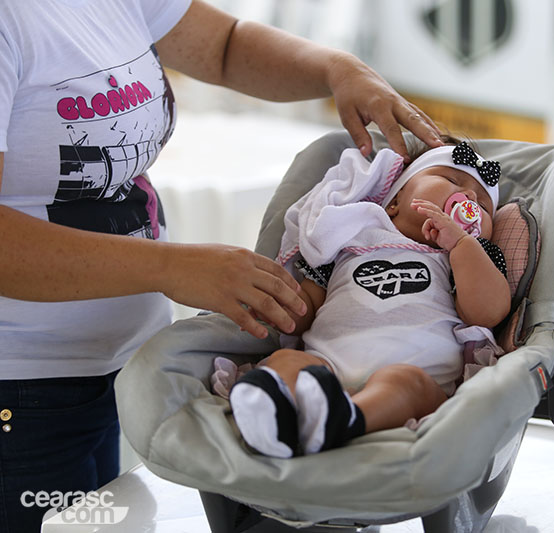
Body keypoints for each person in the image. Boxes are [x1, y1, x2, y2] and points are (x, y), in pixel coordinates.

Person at [0, 0, 443, 530]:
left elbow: (225, 45)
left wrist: (337, 68)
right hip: (22, 390)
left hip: (114, 368)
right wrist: (172, 268)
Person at [218, 139, 511, 458]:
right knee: (287, 362)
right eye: (452, 180)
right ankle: (274, 411)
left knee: (404, 382)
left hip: (418, 374)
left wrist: (463, 246)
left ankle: (347, 418)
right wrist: (278, 302)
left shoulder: (464, 259)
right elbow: (305, 310)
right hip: (327, 365)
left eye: (483, 204)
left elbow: (487, 313)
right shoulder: (350, 240)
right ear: (395, 201)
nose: (469, 197)